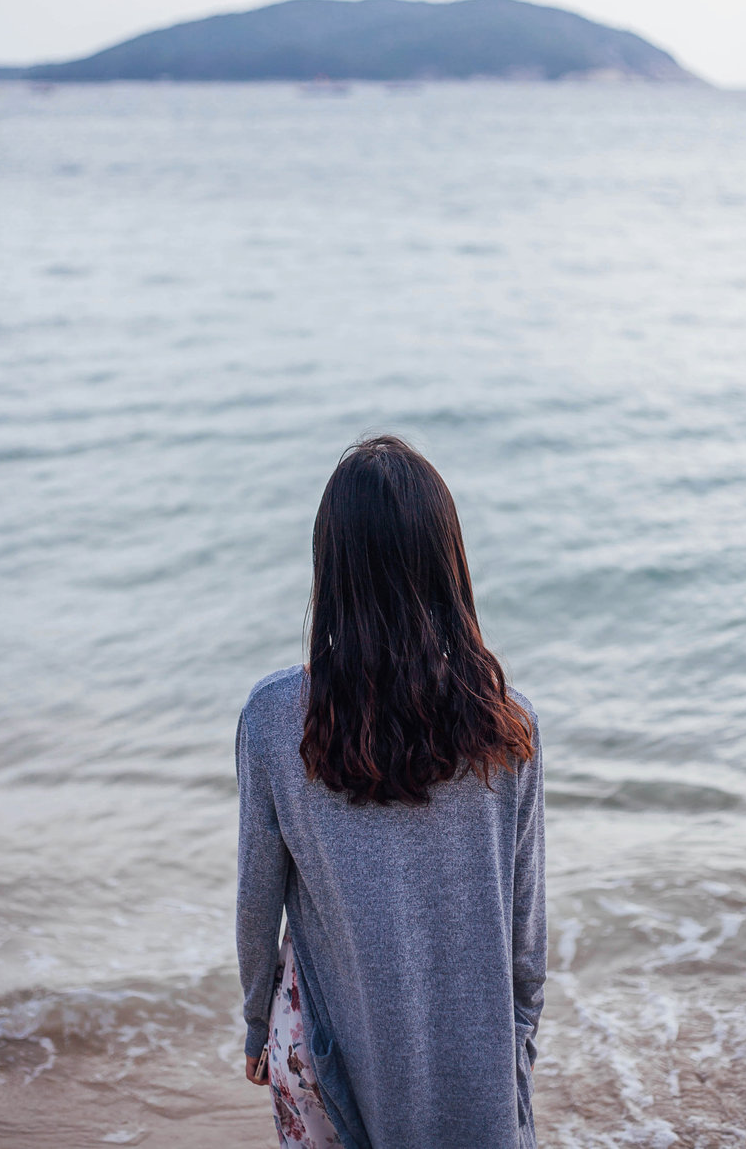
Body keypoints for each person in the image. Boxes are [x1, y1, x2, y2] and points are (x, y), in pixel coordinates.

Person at [235, 435, 547, 1149]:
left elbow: (258, 902)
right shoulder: (509, 726)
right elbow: (525, 937)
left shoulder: (275, 718)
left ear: (331, 567)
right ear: (448, 563)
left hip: (323, 1052)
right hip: (476, 1075)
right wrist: (517, 1052)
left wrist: (256, 1024)